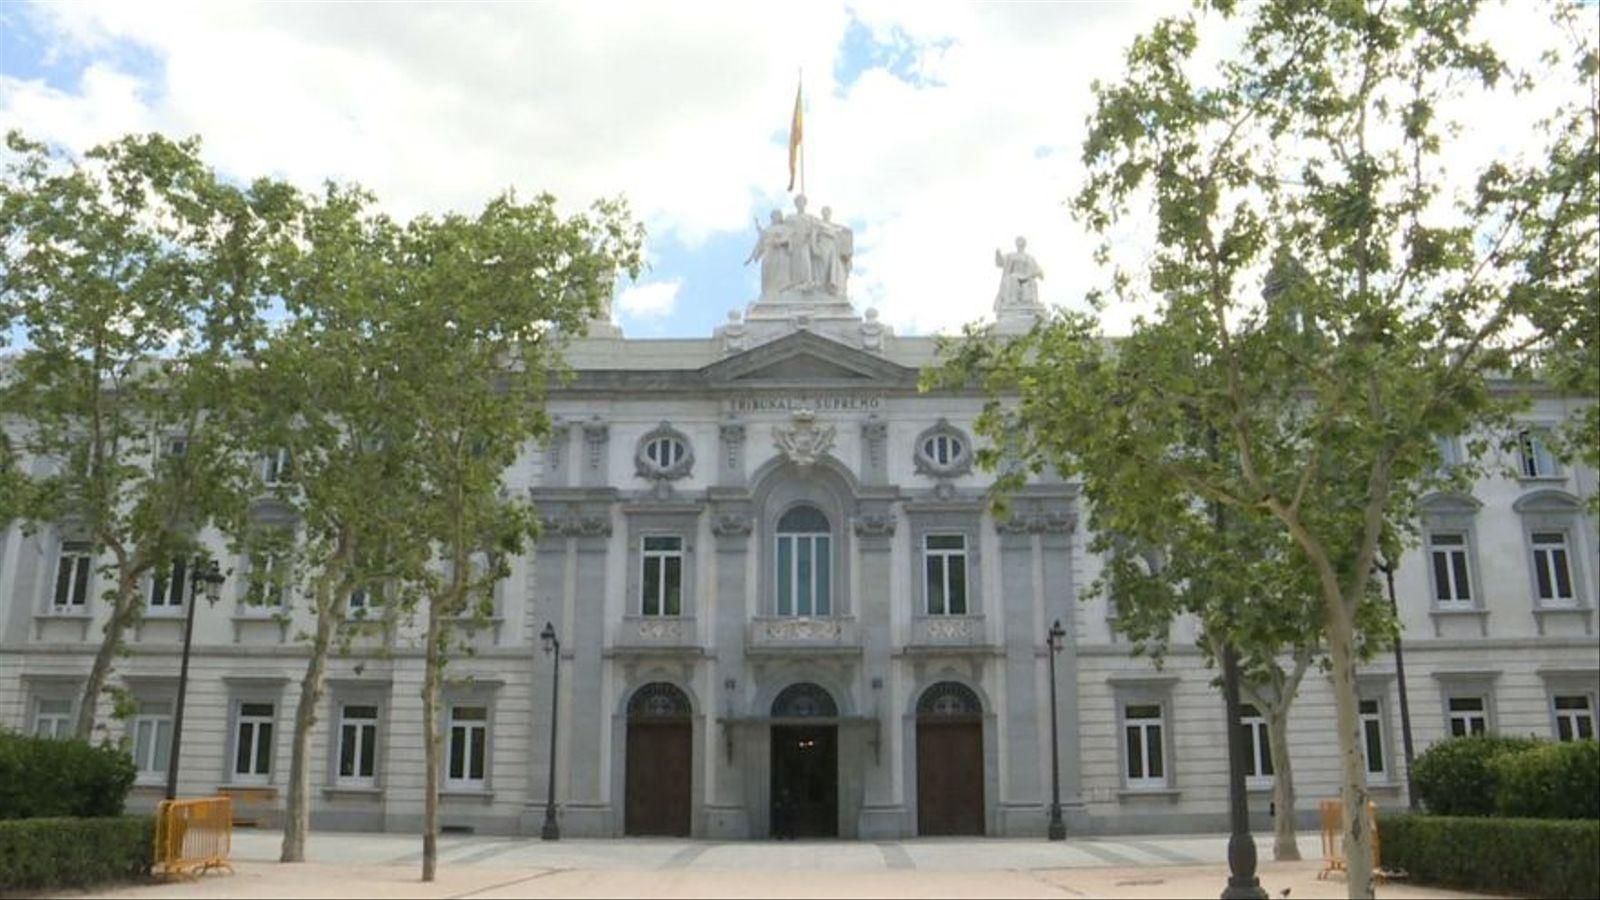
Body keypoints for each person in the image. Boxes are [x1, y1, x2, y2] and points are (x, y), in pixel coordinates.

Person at [745, 210, 792, 296]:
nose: (775, 217)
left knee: (781, 271)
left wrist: (780, 241)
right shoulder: (768, 229)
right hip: (769, 252)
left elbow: (789, 239)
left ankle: (782, 289)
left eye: (777, 215)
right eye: (773, 216)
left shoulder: (785, 228)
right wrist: (751, 257)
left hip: (781, 252)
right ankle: (768, 291)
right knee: (767, 270)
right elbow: (761, 241)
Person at [994, 236, 1044, 309]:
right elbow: (1000, 263)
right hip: (1014, 277)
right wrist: (998, 254)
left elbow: (1038, 270)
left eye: (1022, 242)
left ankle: (1028, 302)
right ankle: (1012, 301)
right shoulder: (1011, 255)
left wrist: (1036, 273)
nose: (1020, 244)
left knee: (1032, 283)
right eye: (1018, 242)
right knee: (1012, 278)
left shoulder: (1030, 257)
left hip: (1027, 277)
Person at [813, 206, 853, 298]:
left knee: (833, 268)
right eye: (824, 212)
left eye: (828, 212)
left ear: (830, 214)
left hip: (833, 247)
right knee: (823, 267)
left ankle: (832, 288)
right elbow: (813, 235)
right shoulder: (818, 224)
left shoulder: (833, 225)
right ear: (822, 213)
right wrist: (814, 247)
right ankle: (821, 289)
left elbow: (845, 230)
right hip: (823, 245)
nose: (826, 213)